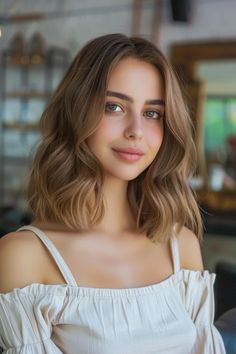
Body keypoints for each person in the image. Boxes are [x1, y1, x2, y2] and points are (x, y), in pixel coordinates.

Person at [0, 33, 225, 353]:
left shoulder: (181, 245)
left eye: (152, 113)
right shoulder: (24, 255)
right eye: (114, 106)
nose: (136, 130)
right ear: (77, 113)